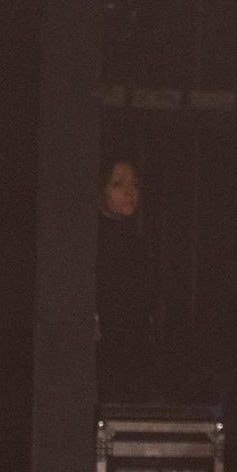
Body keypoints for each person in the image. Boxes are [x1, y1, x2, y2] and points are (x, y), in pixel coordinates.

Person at [95, 158, 161, 401]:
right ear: (101, 188)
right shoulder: (91, 238)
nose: (129, 192)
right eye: (118, 184)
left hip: (135, 349)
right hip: (104, 350)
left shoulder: (140, 242)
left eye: (134, 185)